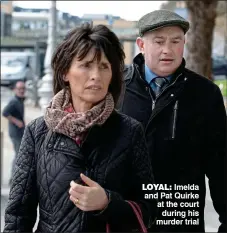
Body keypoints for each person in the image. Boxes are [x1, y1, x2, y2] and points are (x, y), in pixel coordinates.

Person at [3, 23, 157, 232]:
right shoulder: (38, 131)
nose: (96, 75)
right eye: (86, 65)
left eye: (104, 66)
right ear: (65, 72)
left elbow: (150, 211)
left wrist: (108, 203)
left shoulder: (130, 131)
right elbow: (18, 215)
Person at [118, 10, 227, 232]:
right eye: (159, 42)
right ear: (141, 44)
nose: (167, 50)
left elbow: (220, 167)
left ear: (184, 43)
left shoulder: (205, 94)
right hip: (126, 217)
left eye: (175, 41)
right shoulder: (116, 89)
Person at [2, 81, 26, 185]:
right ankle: (13, 178)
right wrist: (17, 121)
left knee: (19, 154)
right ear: (15, 90)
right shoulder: (14, 101)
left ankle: (15, 177)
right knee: (18, 154)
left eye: (23, 88)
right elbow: (4, 112)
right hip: (15, 133)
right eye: (19, 88)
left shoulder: (20, 100)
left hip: (19, 132)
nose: (21, 90)